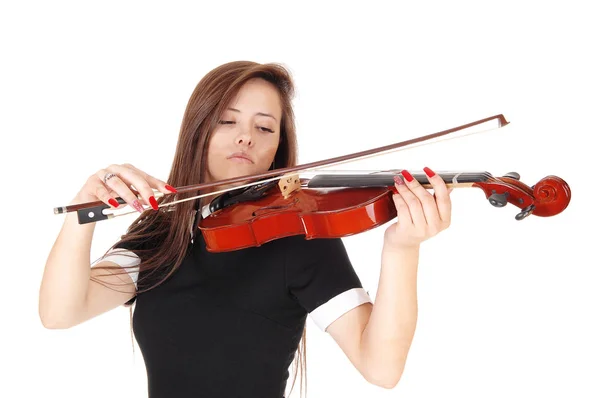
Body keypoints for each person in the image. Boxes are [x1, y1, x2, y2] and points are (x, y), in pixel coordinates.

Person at [39, 61, 452, 398]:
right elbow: (60, 312)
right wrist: (81, 216)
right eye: (227, 121)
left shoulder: (299, 237)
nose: (245, 139)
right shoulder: (159, 238)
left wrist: (402, 250)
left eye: (264, 127)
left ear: (278, 149)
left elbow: (381, 368)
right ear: (198, 130)